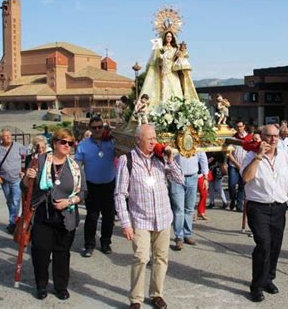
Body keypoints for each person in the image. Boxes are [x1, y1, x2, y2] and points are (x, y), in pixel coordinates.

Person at [114, 124, 184, 309]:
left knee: (161, 258)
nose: (154, 141)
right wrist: (125, 223)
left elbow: (180, 180)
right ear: (138, 139)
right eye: (150, 138)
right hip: (140, 219)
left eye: (155, 138)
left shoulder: (161, 159)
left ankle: (156, 294)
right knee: (141, 258)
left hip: (163, 217)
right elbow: (120, 194)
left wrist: (170, 161)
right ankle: (136, 299)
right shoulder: (126, 160)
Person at [241, 124, 288, 303]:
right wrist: (258, 157)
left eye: (276, 136)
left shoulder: (284, 157)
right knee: (263, 244)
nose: (273, 139)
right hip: (258, 207)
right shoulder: (251, 156)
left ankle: (269, 278)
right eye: (269, 136)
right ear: (261, 137)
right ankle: (256, 286)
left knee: (275, 245)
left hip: (279, 208)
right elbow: (246, 178)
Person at [24, 128, 85, 300]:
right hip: (43, 215)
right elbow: (25, 186)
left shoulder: (76, 166)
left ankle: (60, 287)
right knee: (40, 254)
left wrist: (70, 201)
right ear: (55, 143)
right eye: (63, 142)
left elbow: (84, 192)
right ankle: (41, 285)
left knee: (62, 254)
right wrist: (28, 177)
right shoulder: (40, 161)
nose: (67, 145)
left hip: (66, 217)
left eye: (70, 143)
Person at [75, 116, 116, 257]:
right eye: (94, 127)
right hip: (92, 185)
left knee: (109, 216)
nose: (98, 130)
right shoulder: (83, 145)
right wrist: (78, 186)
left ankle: (105, 242)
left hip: (109, 184)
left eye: (100, 127)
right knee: (92, 216)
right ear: (90, 129)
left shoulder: (112, 142)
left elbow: (124, 154)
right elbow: (78, 167)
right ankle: (89, 245)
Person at [139, 30, 198, 109]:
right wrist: (160, 58)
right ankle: (164, 109)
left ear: (172, 37)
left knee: (176, 90)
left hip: (173, 73)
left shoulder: (175, 48)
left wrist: (182, 52)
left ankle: (178, 109)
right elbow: (158, 62)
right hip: (164, 72)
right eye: (167, 36)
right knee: (165, 90)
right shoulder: (161, 48)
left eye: (170, 36)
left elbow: (182, 57)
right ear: (164, 37)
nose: (169, 38)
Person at [0, 129, 27, 234]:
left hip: (16, 179)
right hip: (4, 180)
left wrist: (24, 171)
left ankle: (13, 223)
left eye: (9, 135)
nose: (8, 137)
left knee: (15, 201)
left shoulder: (19, 146)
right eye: (6, 136)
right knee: (9, 201)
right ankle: (13, 221)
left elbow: (27, 158)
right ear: (1, 138)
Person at [170, 151, 209, 250]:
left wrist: (205, 176)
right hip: (176, 177)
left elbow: (202, 157)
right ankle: (179, 237)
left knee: (189, 209)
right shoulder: (177, 139)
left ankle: (187, 234)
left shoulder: (195, 139)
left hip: (193, 177)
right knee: (179, 209)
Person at [228, 120, 250, 211]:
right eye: (237, 127)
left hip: (244, 166)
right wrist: (236, 163)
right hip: (233, 165)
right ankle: (233, 199)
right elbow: (229, 153)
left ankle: (239, 205)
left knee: (242, 186)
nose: (239, 128)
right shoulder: (233, 139)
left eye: (240, 126)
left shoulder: (249, 138)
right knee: (232, 185)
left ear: (244, 126)